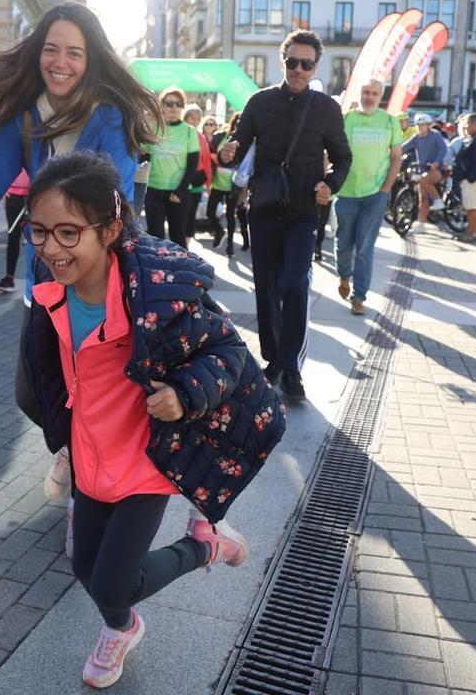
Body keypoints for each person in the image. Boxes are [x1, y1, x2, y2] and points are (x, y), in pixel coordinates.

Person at [21, 150, 285, 689]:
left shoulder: (160, 294)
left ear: (111, 229)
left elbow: (229, 355)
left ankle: (204, 545)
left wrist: (186, 393)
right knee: (84, 570)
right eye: (39, 231)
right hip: (92, 455)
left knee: (114, 582)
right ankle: (122, 629)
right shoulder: (49, 291)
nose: (51, 247)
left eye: (69, 233)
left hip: (147, 459)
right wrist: (61, 444)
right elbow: (45, 378)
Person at [0, 2, 160, 535]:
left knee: (96, 391)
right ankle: (71, 450)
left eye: (74, 51)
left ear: (90, 58)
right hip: (47, 273)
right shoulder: (23, 117)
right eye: (52, 49)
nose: (61, 62)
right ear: (38, 53)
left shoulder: (108, 115)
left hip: (101, 276)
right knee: (36, 391)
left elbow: (108, 183)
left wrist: (62, 205)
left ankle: (90, 496)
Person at [220, 29, 352, 402]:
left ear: (314, 67)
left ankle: (291, 367)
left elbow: (343, 157)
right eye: (292, 62)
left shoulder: (326, 109)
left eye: (306, 64)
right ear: (283, 62)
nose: (298, 69)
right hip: (263, 210)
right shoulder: (259, 103)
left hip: (302, 213)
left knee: (294, 284)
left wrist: (331, 183)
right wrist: (227, 150)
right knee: (266, 288)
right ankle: (273, 360)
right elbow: (236, 145)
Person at [336, 79, 403, 315]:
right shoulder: (346, 119)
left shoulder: (389, 121)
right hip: (345, 193)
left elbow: (397, 157)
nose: (369, 96)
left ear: (380, 96)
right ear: (360, 93)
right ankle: (344, 275)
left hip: (375, 195)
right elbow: (332, 151)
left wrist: (386, 188)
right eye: (366, 92)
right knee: (344, 243)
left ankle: (359, 297)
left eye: (375, 93)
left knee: (365, 247)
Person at [142, 88, 199, 247]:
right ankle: (156, 271)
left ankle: (179, 272)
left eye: (178, 104)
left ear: (183, 107)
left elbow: (192, 164)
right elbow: (142, 157)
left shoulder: (189, 132)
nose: (174, 107)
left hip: (178, 193)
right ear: (161, 106)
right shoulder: (152, 128)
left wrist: (180, 190)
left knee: (178, 240)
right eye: (169, 103)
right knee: (155, 238)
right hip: (154, 190)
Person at [210, 112, 249, 255]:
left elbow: (247, 165)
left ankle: (230, 245)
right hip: (217, 183)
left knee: (230, 215)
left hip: (234, 185)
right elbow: (211, 153)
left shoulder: (246, 142)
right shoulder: (221, 136)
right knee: (210, 212)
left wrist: (244, 189)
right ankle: (219, 231)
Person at [402, 112, 448, 231]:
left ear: (428, 125)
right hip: (423, 170)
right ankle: (421, 225)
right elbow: (403, 148)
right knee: (423, 199)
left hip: (437, 169)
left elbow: (443, 149)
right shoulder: (416, 138)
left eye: (423, 125)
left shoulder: (436, 135)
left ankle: (438, 201)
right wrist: (392, 152)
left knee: (423, 180)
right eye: (418, 125)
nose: (420, 127)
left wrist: (437, 161)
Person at [452, 114, 476, 243]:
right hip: (472, 179)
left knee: (471, 207)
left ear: (475, 124)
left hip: (473, 180)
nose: (466, 126)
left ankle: (472, 233)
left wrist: (470, 179)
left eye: (468, 123)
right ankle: (470, 231)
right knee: (471, 207)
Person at [182, 105, 214, 246]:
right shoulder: (180, 133)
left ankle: (186, 244)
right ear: (185, 117)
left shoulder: (200, 137)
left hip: (197, 179)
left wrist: (208, 183)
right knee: (180, 213)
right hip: (180, 179)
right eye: (192, 118)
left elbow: (206, 161)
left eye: (198, 119)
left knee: (191, 212)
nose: (195, 121)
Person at [0, 168, 30, 294]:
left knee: (38, 238)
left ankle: (43, 281)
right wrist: (3, 190)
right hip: (13, 194)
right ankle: (9, 278)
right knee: (13, 236)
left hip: (36, 193)